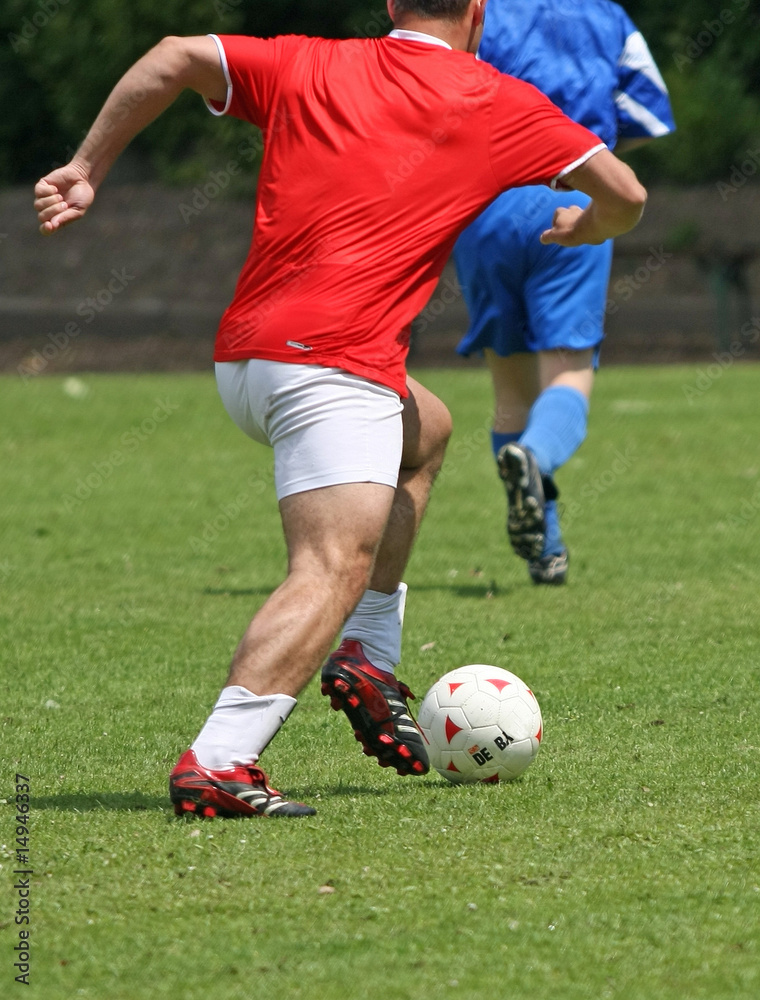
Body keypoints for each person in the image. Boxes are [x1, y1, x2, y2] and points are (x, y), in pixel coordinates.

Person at [34, 0, 647, 818]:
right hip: (332, 371)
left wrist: (86, 167)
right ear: (476, 14)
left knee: (426, 430)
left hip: (247, 358)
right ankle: (219, 763)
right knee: (329, 568)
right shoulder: (499, 100)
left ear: (393, 5)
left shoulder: (311, 63)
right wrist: (584, 227)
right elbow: (628, 194)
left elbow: (175, 55)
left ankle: (366, 653)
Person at [453, 0, 675, 585]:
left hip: (483, 207)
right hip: (575, 198)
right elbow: (647, 116)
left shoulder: (475, 11)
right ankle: (537, 458)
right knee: (569, 370)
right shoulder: (608, 15)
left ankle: (546, 550)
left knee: (510, 387)